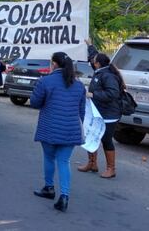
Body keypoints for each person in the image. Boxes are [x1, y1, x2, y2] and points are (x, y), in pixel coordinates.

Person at [30, 52, 86, 213]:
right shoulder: (79, 85)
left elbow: (34, 103)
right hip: (71, 129)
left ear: (54, 64)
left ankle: (49, 188)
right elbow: (81, 112)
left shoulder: (45, 81)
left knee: (49, 157)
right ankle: (64, 196)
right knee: (64, 161)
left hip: (50, 127)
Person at [78, 40, 124, 179]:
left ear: (98, 64)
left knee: (106, 139)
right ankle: (92, 163)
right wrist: (90, 45)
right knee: (91, 136)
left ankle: (111, 168)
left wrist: (93, 94)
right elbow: (95, 55)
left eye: (94, 60)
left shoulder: (108, 75)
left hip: (109, 114)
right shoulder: (101, 70)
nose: (92, 61)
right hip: (97, 112)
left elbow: (113, 94)